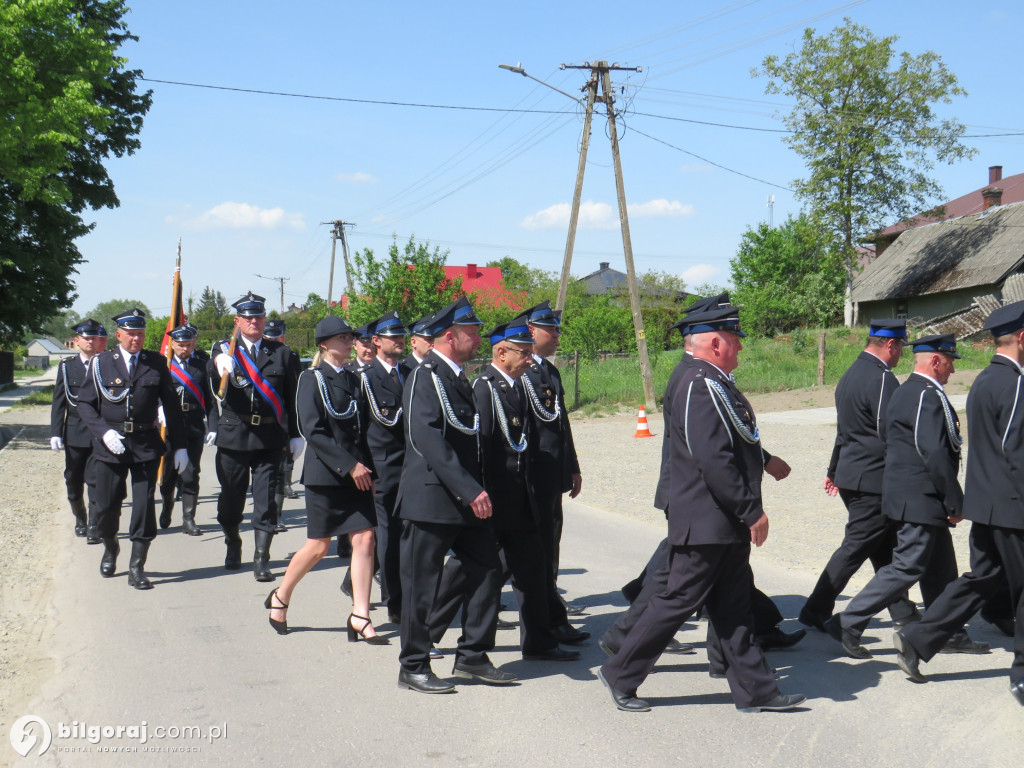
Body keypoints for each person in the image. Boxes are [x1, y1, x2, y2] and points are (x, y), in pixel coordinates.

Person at [598, 305, 805, 713]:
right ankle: (620, 672)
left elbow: (732, 438)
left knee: (733, 609)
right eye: (735, 338)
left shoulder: (710, 380)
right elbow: (713, 457)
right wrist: (751, 511)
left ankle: (757, 692)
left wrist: (763, 462)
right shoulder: (698, 382)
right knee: (675, 601)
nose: (741, 346)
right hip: (707, 517)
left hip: (719, 519)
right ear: (715, 342)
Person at [425, 318, 581, 663]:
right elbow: (477, 449)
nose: (529, 359)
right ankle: (427, 632)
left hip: (520, 499)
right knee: (466, 571)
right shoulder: (484, 388)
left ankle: (539, 642)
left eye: (529, 352)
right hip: (493, 501)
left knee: (533, 569)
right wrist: (478, 495)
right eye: (523, 353)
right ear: (501, 352)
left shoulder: (515, 386)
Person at [824, 334, 988, 658]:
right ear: (936, 361)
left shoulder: (906, 391)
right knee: (906, 567)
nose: (953, 371)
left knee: (941, 569)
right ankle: (848, 621)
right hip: (920, 498)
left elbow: (893, 440)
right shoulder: (924, 395)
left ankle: (948, 632)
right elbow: (935, 455)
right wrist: (955, 499)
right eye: (950, 363)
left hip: (915, 496)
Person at [894, 303, 1024, 706]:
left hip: (986, 503)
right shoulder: (1017, 383)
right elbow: (1016, 451)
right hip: (1013, 506)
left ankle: (917, 637)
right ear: (1022, 338)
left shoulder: (986, 378)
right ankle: (1021, 674)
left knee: (981, 580)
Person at [396, 296, 513, 694]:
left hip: (466, 499)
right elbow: (425, 437)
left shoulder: (458, 376)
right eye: (472, 332)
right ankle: (412, 665)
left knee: (488, 567)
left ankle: (473, 656)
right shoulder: (424, 375)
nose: (479, 337)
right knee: (420, 584)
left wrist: (481, 488)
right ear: (450, 336)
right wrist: (468, 488)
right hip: (432, 499)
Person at [265, 316, 387, 644]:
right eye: (342, 338)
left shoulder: (354, 379)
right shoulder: (311, 379)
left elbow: (364, 431)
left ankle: (360, 615)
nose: (350, 343)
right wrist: (349, 466)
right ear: (324, 343)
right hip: (328, 475)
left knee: (365, 540)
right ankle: (281, 595)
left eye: (350, 337)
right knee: (319, 547)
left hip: (358, 474)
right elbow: (312, 430)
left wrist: (369, 469)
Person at [800, 320, 920, 631]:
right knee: (856, 547)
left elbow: (845, 432)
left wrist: (833, 470)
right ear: (890, 345)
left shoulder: (850, 375)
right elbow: (889, 432)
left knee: (885, 547)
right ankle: (815, 610)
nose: (901, 355)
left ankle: (903, 612)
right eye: (901, 348)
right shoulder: (882, 379)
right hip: (874, 480)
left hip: (853, 475)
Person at [75, 308, 188, 589]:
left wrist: (181, 446)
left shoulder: (156, 363)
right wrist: (103, 432)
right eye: (131, 334)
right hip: (110, 446)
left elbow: (172, 407)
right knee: (107, 505)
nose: (136, 339)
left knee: (143, 505)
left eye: (140, 333)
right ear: (119, 335)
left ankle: (137, 565)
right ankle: (111, 547)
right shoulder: (102, 363)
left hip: (145, 444)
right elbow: (85, 403)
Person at [209, 292, 302, 581]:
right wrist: (218, 365)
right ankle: (232, 538)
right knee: (231, 499)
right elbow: (214, 386)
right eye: (248, 317)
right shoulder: (223, 350)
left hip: (269, 438)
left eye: (259, 317)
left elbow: (291, 397)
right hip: (235, 435)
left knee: (266, 500)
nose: (254, 322)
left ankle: (261, 558)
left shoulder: (282, 353)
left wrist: (295, 434)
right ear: (238, 321)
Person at [520, 301, 589, 633]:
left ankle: (551, 615)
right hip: (532, 477)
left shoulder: (550, 371)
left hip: (553, 475)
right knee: (519, 553)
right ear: (532, 331)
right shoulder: (521, 373)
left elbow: (561, 425)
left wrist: (572, 466)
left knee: (549, 547)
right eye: (553, 329)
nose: (558, 335)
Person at [358, 310, 410, 624]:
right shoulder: (365, 378)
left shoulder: (409, 372)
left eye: (401, 335)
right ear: (377, 341)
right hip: (383, 468)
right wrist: (364, 469)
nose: (399, 340)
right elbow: (360, 428)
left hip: (411, 468)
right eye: (393, 336)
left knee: (409, 535)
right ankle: (394, 602)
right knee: (388, 538)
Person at [50, 318, 108, 541]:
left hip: (99, 433)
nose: (92, 341)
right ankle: (81, 518)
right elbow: (59, 402)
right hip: (74, 431)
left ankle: (94, 526)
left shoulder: (106, 363)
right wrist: (56, 432)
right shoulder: (67, 367)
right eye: (87, 338)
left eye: (95, 337)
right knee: (73, 481)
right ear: (76, 341)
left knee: (95, 480)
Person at [158, 323, 218, 535]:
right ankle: (166, 507)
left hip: (193, 423)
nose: (185, 349)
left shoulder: (202, 365)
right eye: (180, 344)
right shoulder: (162, 365)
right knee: (167, 476)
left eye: (188, 344)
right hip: (169, 425)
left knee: (191, 473)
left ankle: (188, 519)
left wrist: (213, 425)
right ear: (172, 344)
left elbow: (210, 398)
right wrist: (158, 409)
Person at [263, 319, 302, 533]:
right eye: (269, 336)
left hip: (282, 417)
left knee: (280, 467)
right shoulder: (255, 356)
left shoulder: (289, 355)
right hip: (262, 421)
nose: (273, 339)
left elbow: (293, 387)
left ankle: (276, 515)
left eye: (276, 336)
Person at [399, 312, 434, 379]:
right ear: (413, 342)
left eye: (435, 339)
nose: (433, 344)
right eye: (429, 339)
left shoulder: (439, 367)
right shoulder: (402, 369)